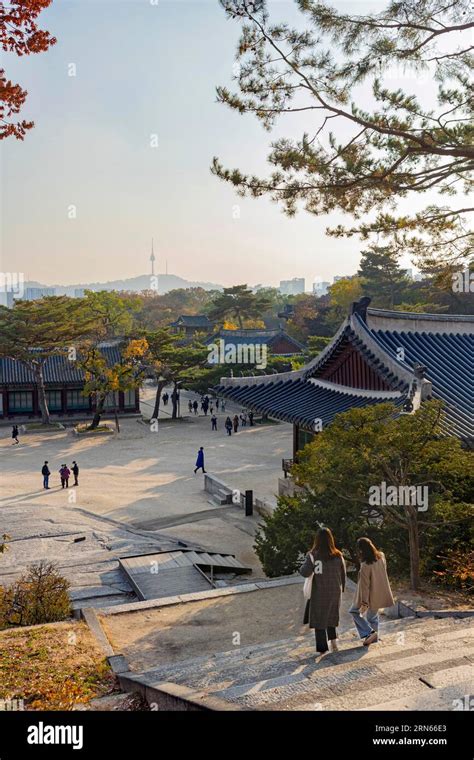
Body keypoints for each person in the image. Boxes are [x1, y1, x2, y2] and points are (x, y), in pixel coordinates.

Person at [300, 527, 346, 655]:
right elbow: (343, 575)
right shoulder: (338, 555)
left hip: (319, 592)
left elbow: (305, 572)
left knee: (319, 619)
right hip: (334, 591)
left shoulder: (313, 555)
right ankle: (334, 642)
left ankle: (322, 649)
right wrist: (341, 589)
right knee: (332, 616)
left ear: (317, 540)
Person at [349, 537, 394, 646]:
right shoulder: (381, 556)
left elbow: (365, 586)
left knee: (354, 611)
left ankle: (369, 633)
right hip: (381, 592)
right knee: (372, 617)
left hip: (369, 595)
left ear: (361, 550)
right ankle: (374, 639)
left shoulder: (365, 565)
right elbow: (384, 571)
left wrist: (364, 602)